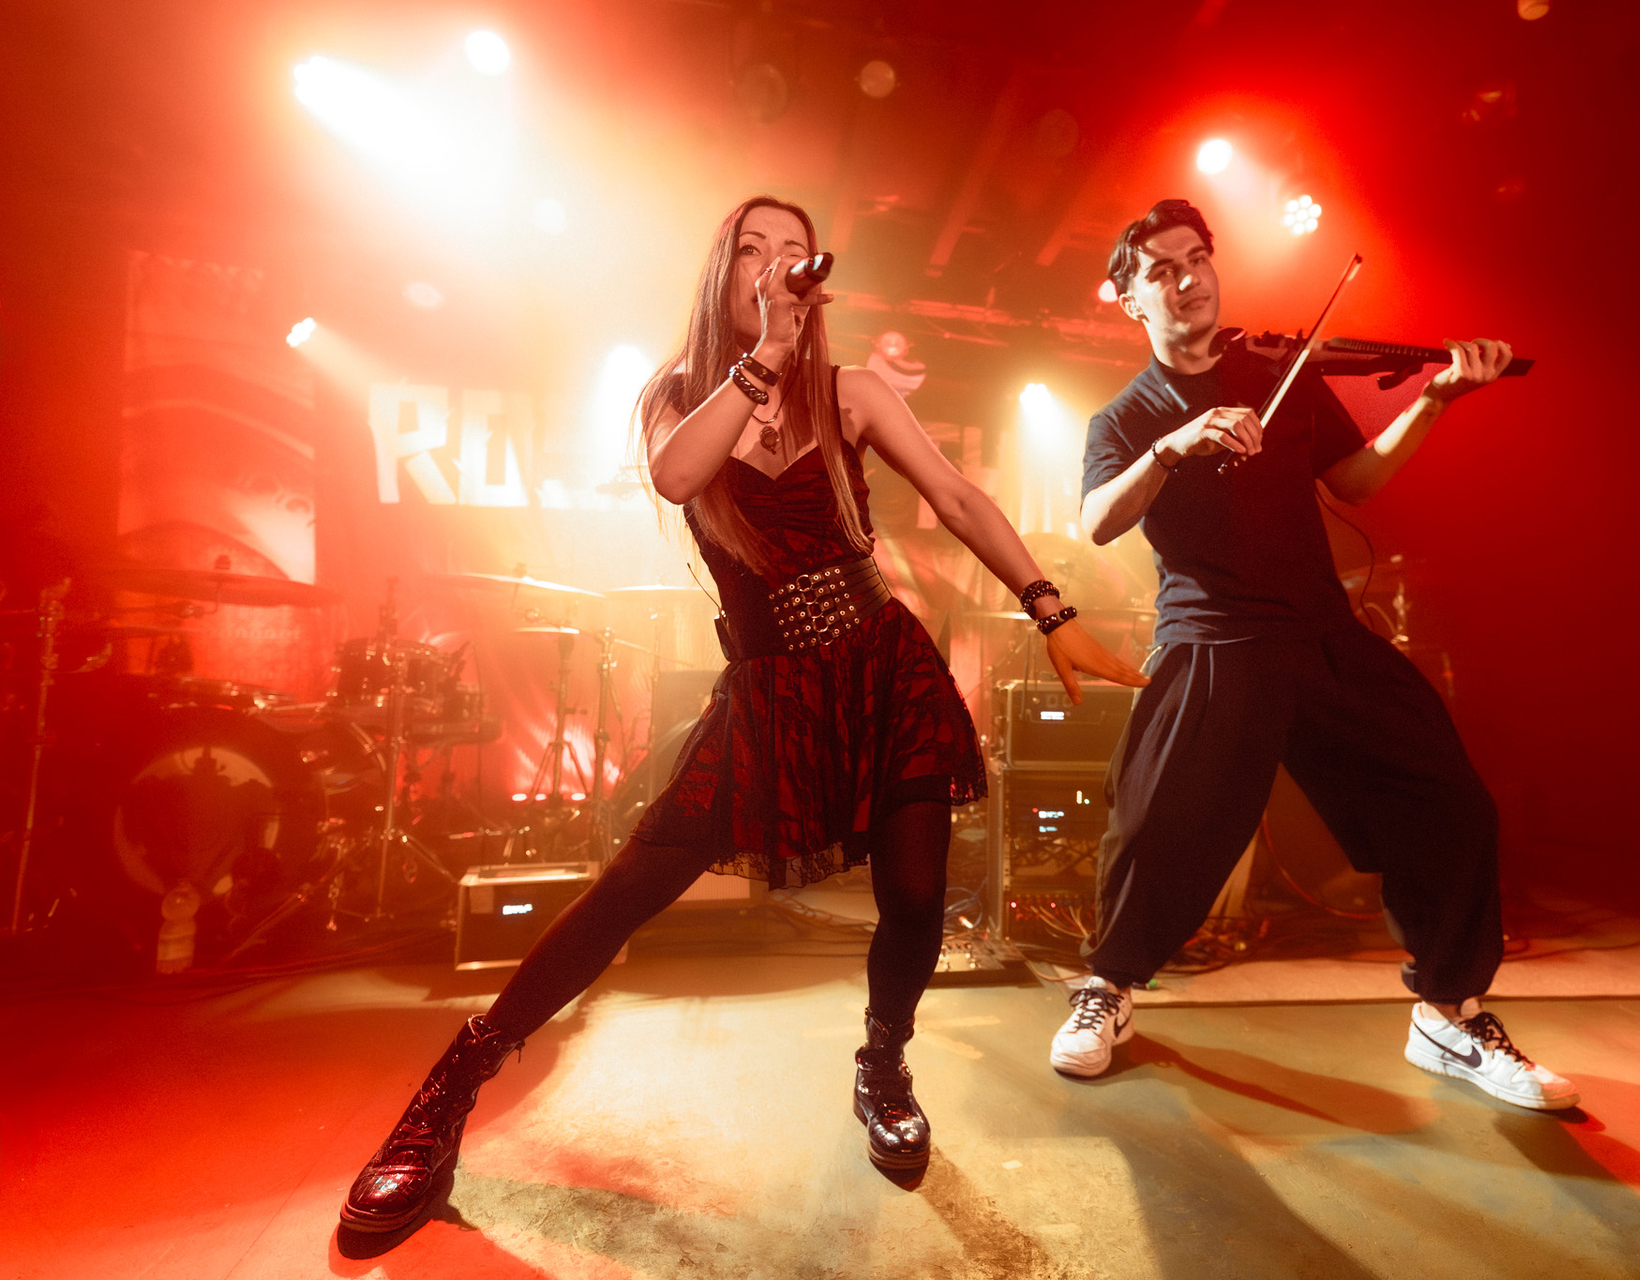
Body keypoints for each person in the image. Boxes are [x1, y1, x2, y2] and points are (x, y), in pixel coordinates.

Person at [340, 195, 1147, 1234]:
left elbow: (955, 496)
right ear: (724, 275)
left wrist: (1050, 609)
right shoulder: (680, 399)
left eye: (793, 252)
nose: (775, 265)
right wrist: (765, 353)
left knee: (914, 894)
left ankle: (883, 1064)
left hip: (880, 665)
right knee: (629, 889)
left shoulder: (851, 393)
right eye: (752, 250)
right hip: (770, 693)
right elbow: (679, 474)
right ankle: (444, 1099)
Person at [1047, 198, 1577, 1112]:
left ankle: (1449, 1015)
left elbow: (1357, 481)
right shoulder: (1126, 418)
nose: (1188, 279)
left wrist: (1434, 399)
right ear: (1129, 299)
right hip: (1214, 637)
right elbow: (1097, 522)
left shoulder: (1276, 377)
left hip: (1320, 631)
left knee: (1448, 800)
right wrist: (1173, 448)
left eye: (1196, 258)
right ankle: (1109, 988)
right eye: (1162, 271)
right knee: (1157, 824)